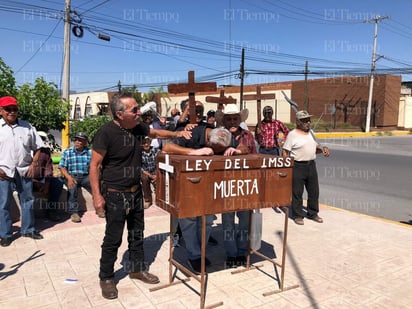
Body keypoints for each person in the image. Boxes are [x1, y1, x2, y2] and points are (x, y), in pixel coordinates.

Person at [89, 93, 191, 300]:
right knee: (113, 238)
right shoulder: (106, 133)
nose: (139, 112)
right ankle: (106, 277)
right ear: (119, 114)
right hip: (115, 195)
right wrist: (97, 197)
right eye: (134, 110)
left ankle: (136, 269)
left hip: (135, 191)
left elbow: (156, 133)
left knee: (137, 234)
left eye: (138, 108)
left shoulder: (137, 127)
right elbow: (94, 165)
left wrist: (178, 134)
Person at [162, 127, 234, 273]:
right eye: (215, 149)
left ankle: (200, 252)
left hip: (208, 187)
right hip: (187, 186)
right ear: (208, 141)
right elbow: (167, 147)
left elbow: (242, 146)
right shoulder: (192, 134)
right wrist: (193, 152)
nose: (216, 153)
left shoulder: (221, 135)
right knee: (189, 221)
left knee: (207, 220)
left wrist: (236, 150)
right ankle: (194, 255)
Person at [0, 96, 45, 247]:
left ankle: (28, 229)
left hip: (25, 170)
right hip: (4, 172)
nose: (12, 112)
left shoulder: (27, 127)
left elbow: (38, 147)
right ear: (1, 111)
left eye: (14, 109)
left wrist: (34, 163)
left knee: (28, 200)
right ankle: (5, 234)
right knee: (3, 203)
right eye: (8, 109)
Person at [220, 104, 257, 268]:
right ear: (224, 121)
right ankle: (231, 254)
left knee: (244, 220)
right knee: (227, 222)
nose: (232, 121)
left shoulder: (248, 136)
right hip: (226, 186)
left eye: (235, 118)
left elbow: (255, 158)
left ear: (239, 120)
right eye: (229, 118)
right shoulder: (218, 136)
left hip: (245, 185)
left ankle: (242, 252)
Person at [282, 110, 330, 225]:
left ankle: (313, 213)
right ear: (298, 122)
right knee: (297, 193)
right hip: (298, 166)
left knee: (314, 191)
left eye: (309, 120)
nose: (308, 122)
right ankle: (298, 215)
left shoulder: (311, 133)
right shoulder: (292, 134)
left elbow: (315, 149)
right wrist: (286, 167)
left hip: (311, 165)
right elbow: (285, 152)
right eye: (305, 120)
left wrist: (323, 150)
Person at [58, 132, 92, 223]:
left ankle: (100, 207)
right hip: (72, 176)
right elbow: (62, 167)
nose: (77, 142)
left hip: (86, 176)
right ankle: (73, 213)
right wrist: (69, 178)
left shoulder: (90, 152)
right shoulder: (68, 152)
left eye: (80, 140)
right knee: (72, 189)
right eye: (76, 140)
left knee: (97, 187)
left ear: (85, 142)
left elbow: (94, 166)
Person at [141, 136, 160, 208]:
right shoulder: (139, 153)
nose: (146, 144)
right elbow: (140, 168)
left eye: (147, 142)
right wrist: (150, 175)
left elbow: (160, 163)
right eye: (144, 143)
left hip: (156, 171)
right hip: (146, 172)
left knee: (161, 177)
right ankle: (147, 199)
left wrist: (157, 174)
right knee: (144, 178)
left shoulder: (156, 150)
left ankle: (160, 199)